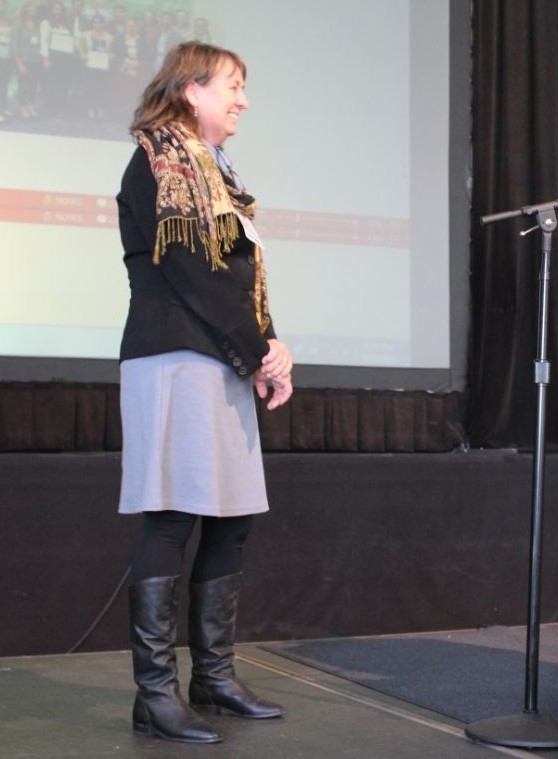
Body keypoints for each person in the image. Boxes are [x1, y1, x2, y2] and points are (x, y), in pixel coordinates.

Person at [117, 40, 293, 744]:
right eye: (232, 86)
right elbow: (194, 269)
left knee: (231, 515)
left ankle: (212, 678)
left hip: (218, 357)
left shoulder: (215, 170)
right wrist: (258, 351)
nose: (242, 100)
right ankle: (153, 695)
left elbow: (241, 271)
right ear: (191, 90)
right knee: (171, 516)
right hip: (173, 357)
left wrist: (270, 346)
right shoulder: (162, 160)